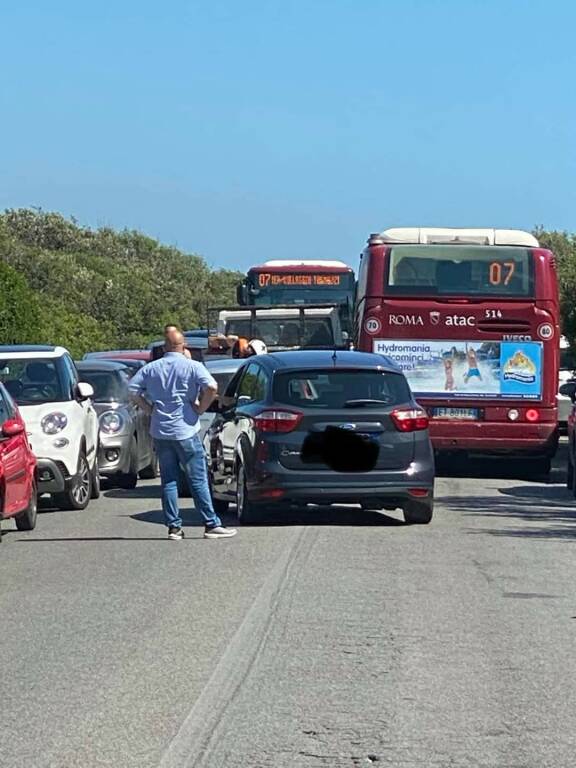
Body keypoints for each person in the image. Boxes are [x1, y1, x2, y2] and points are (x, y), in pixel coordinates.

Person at [128, 331, 237, 541]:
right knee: (197, 478)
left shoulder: (151, 368)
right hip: (185, 428)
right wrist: (200, 408)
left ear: (165, 346)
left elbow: (132, 390)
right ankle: (211, 523)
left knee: (169, 480)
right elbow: (212, 387)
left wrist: (150, 409)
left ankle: (174, 528)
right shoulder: (192, 366)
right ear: (182, 345)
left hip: (161, 430)